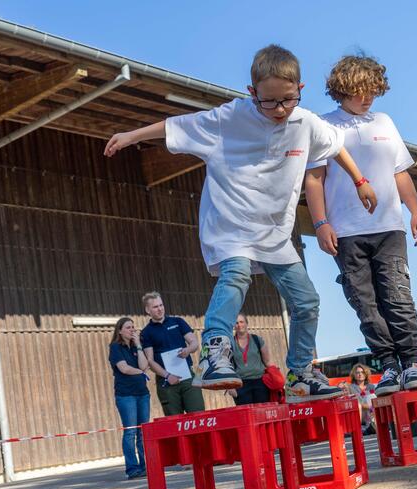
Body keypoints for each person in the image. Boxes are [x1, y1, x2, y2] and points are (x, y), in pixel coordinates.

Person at [105, 45, 377, 403]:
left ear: (301, 89)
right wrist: (131, 136)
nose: (279, 110)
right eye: (269, 102)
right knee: (237, 275)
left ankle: (299, 373)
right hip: (230, 224)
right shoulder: (229, 118)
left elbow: (334, 145)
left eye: (288, 100)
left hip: (274, 234)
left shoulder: (307, 122)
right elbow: (177, 126)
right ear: (252, 93)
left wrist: (360, 180)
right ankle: (215, 352)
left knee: (306, 300)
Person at [304, 54, 417, 396]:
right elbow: (314, 179)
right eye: (362, 90)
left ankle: (413, 363)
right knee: (365, 302)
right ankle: (388, 366)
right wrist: (320, 223)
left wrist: (415, 211)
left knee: (398, 295)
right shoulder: (324, 125)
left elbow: (400, 171)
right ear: (344, 88)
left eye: (374, 90)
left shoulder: (385, 121)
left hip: (389, 225)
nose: (369, 97)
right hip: (346, 231)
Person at [140, 292, 205, 416]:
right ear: (148, 310)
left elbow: (194, 343)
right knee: (175, 422)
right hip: (166, 381)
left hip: (188, 376)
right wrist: (168, 375)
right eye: (155, 307)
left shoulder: (178, 321)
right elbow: (150, 360)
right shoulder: (146, 332)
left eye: (161, 305)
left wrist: (188, 350)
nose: (160, 309)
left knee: (199, 415)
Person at [107, 317, 150, 480]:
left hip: (142, 393)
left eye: (133, 327)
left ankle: (145, 466)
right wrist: (141, 372)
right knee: (130, 432)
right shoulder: (115, 347)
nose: (132, 330)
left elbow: (144, 365)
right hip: (126, 395)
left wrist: (138, 345)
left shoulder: (136, 346)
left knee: (142, 432)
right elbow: (124, 369)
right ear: (120, 331)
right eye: (128, 327)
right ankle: (132, 468)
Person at [231, 313, 278, 405]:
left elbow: (268, 361)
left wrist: (276, 377)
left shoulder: (257, 339)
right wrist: (229, 386)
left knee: (263, 413)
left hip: (260, 382)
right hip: (240, 384)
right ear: (234, 326)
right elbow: (227, 367)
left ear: (246, 323)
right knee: (246, 415)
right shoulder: (230, 343)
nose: (239, 325)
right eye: (236, 323)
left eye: (241, 322)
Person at [340, 363, 377, 435]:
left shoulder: (371, 386)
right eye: (357, 372)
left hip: (371, 413)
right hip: (359, 413)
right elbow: (355, 403)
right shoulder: (351, 387)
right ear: (354, 375)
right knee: (365, 400)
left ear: (366, 374)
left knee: (372, 396)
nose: (360, 374)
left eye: (362, 372)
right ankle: (368, 427)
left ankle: (372, 425)